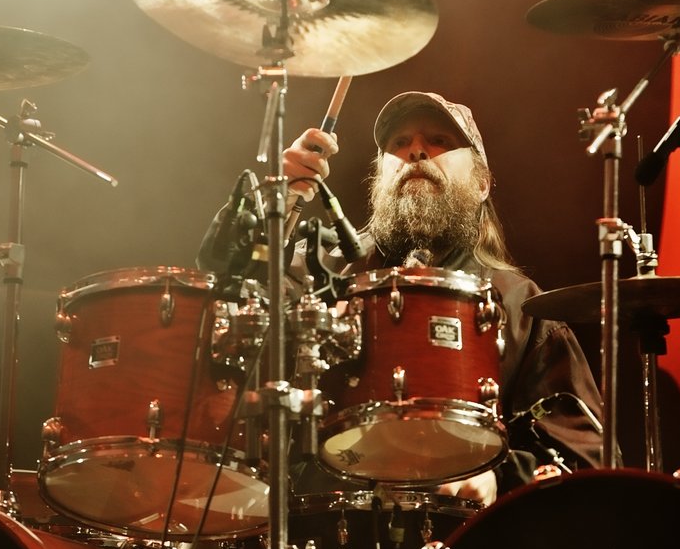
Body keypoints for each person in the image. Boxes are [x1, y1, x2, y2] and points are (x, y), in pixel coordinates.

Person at [199, 91, 605, 509]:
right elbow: (225, 287)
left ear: (482, 183)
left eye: (440, 141)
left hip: (462, 539)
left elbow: (586, 459)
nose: (415, 151)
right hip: (316, 528)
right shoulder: (321, 270)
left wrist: (499, 476)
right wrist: (273, 201)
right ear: (379, 177)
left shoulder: (521, 305)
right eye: (399, 143)